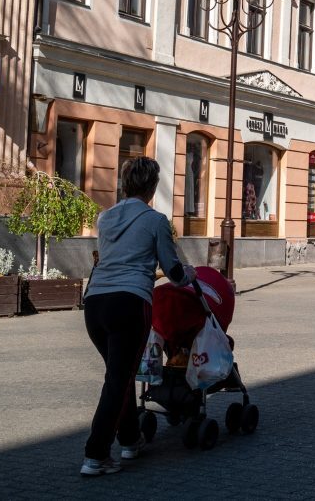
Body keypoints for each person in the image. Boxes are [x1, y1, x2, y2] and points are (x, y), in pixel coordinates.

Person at [81, 158, 195, 477]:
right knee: (117, 379)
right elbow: (172, 271)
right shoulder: (155, 220)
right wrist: (190, 275)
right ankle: (96, 454)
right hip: (130, 302)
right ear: (152, 186)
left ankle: (131, 440)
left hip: (95, 304)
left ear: (124, 183)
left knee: (120, 374)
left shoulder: (105, 218)